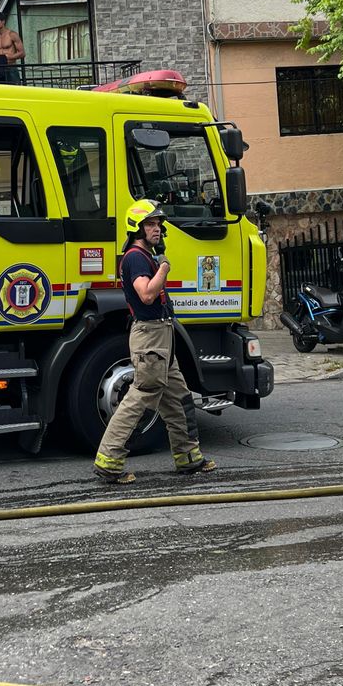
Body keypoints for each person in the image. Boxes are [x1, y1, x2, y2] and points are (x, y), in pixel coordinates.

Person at [93, 199, 216, 484]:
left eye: (158, 224)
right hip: (150, 338)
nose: (157, 229)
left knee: (178, 398)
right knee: (140, 398)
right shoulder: (136, 258)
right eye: (150, 224)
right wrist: (164, 268)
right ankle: (108, 462)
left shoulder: (144, 256)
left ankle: (188, 458)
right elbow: (147, 294)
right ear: (137, 228)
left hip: (161, 337)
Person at [0, 12, 24, 84]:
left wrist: (7, 57)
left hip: (11, 67)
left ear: (3, 21)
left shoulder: (12, 34)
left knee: (15, 89)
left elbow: (22, 53)